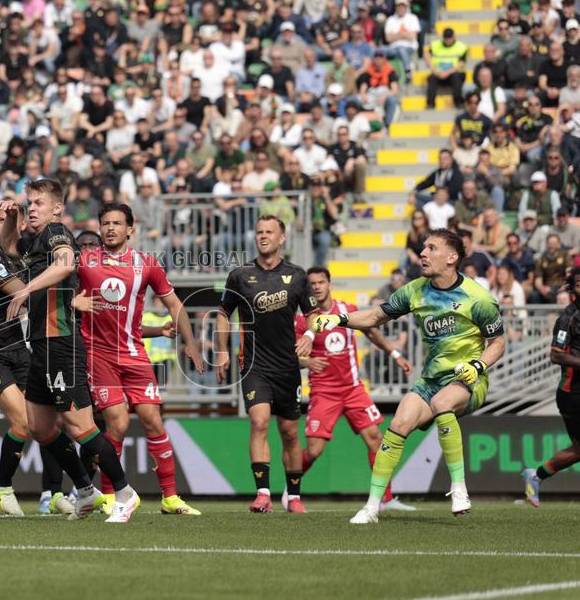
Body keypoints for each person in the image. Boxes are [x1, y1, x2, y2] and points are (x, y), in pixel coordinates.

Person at [311, 228, 506, 524]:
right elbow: (376, 317)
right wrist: (339, 319)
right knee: (399, 423)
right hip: (430, 379)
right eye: (423, 247)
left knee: (443, 403)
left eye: (432, 248)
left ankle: (458, 488)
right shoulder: (414, 290)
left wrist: (478, 366)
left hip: (469, 378)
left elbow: (499, 343)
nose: (423, 253)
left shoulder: (478, 298)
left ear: (452, 257)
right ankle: (373, 507)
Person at [0, 179, 140, 522]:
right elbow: (6, 247)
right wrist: (8, 219)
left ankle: (124, 492)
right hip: (41, 345)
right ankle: (86, 491)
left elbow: (65, 264)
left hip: (61, 342)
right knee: (40, 428)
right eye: (28, 202)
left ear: (57, 208)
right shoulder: (35, 241)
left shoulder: (58, 232)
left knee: (81, 427)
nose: (31, 207)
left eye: (37, 203)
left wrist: (24, 291)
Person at [75, 203, 204, 515]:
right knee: (116, 424)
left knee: (153, 420)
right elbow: (53, 289)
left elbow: (175, 305)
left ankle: (170, 498)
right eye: (105, 223)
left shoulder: (146, 265)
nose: (110, 229)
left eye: (117, 223)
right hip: (99, 356)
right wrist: (72, 300)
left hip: (134, 355)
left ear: (130, 229)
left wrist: (191, 344)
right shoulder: (84, 261)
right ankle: (111, 496)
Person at [0, 205, 74, 517]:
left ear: (24, 223)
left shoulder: (28, 250)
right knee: (24, 422)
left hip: (17, 346)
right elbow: (20, 292)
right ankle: (3, 486)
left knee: (49, 421)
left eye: (8, 220)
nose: (3, 226)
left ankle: (53, 493)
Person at [215, 215, 317, 514]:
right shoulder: (239, 275)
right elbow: (223, 313)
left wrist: (310, 334)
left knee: (289, 432)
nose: (263, 236)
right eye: (259, 231)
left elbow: (311, 313)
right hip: (254, 365)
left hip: (287, 367)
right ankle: (262, 493)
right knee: (259, 422)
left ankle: (294, 496)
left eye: (269, 232)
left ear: (282, 238)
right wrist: (222, 351)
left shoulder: (297, 276)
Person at [294, 267, 416, 513]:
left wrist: (394, 354)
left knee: (376, 439)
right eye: (312, 284)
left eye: (321, 282)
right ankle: (291, 489)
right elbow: (290, 355)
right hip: (323, 392)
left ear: (329, 284)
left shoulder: (347, 311)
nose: (317, 287)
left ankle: (386, 499)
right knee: (315, 450)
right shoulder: (301, 320)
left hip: (352, 389)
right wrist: (307, 363)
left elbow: (371, 331)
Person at [522, 271, 580, 506]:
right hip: (572, 392)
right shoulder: (568, 318)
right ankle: (536, 475)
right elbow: (555, 355)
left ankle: (535, 475)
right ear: (574, 287)